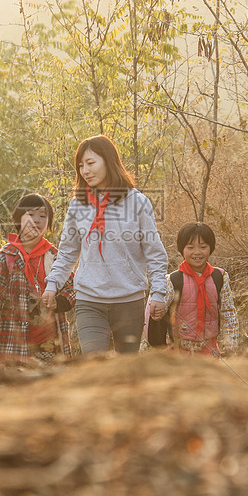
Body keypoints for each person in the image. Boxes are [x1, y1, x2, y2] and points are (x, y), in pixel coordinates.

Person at [41, 135, 168, 355]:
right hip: (89, 300)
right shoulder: (78, 205)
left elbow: (154, 253)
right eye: (81, 166)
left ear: (108, 161)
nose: (85, 171)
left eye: (91, 163)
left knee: (126, 371)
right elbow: (67, 254)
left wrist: (158, 293)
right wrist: (52, 285)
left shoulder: (137, 202)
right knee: (94, 364)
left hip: (129, 300)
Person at [0, 193, 75, 365]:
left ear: (48, 224)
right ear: (18, 219)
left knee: (47, 384)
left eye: (43, 216)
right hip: (13, 340)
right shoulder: (6, 256)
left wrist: (60, 301)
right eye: (31, 215)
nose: (37, 220)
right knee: (17, 386)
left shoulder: (53, 255)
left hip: (48, 340)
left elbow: (72, 286)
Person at [149, 222, 239, 356]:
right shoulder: (172, 280)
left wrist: (230, 344)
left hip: (210, 349)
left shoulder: (220, 277)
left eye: (203, 247)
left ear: (211, 248)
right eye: (190, 247)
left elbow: (228, 313)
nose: (197, 252)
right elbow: (159, 313)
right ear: (182, 250)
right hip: (178, 350)